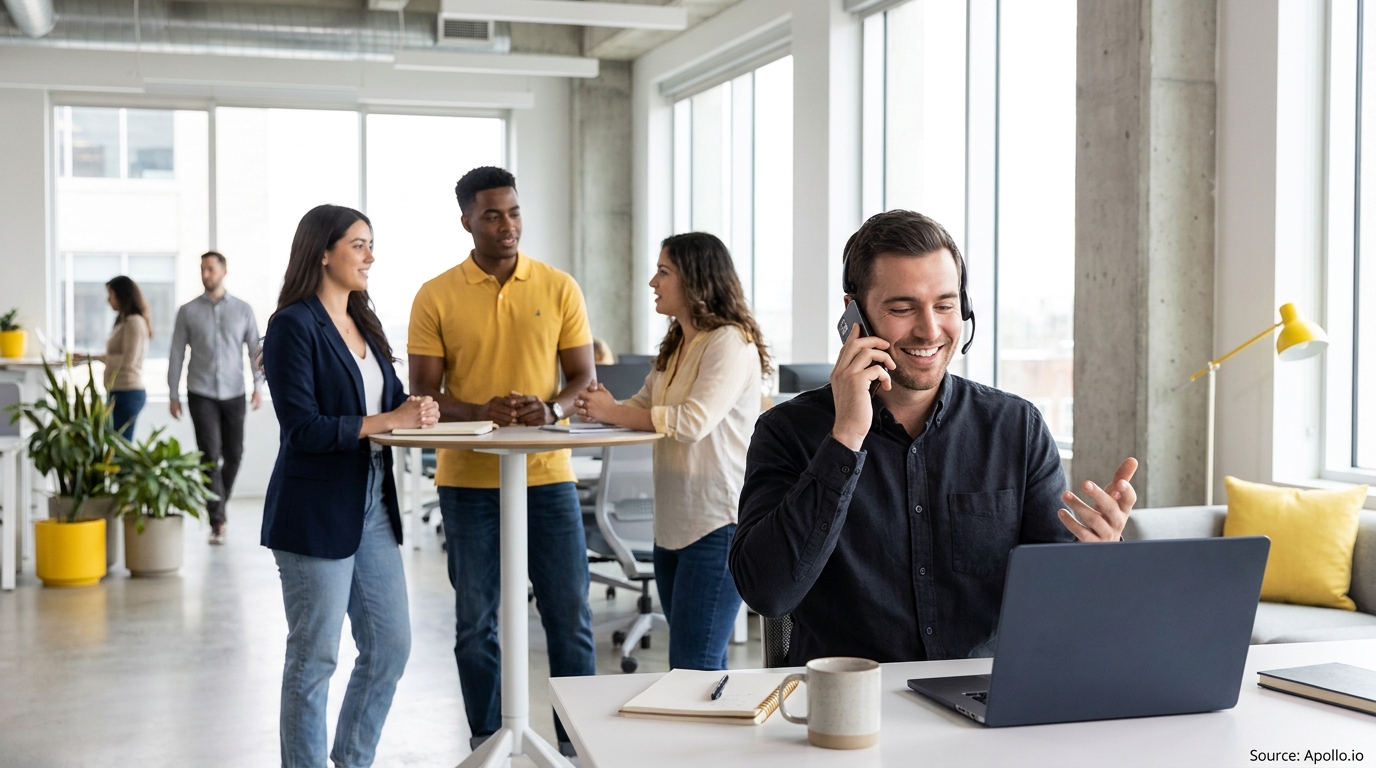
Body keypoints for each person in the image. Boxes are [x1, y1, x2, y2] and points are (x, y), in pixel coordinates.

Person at [729, 210, 1139, 665]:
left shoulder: (1015, 428)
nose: (929, 330)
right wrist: (845, 438)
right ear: (853, 315)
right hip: (847, 696)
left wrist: (1098, 558)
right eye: (902, 308)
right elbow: (767, 593)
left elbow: (1056, 600)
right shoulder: (787, 431)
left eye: (944, 305)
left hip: (978, 695)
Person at [408, 166, 596, 757]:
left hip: (548, 476)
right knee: (476, 621)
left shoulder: (558, 286)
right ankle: (486, 742)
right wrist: (480, 410)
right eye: (492, 215)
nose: (507, 225)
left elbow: (582, 377)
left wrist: (551, 409)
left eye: (513, 212)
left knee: (570, 615)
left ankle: (575, 745)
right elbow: (424, 395)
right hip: (467, 480)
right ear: (467, 221)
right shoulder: (436, 294)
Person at [261, 204, 438, 768]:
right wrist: (388, 420)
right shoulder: (292, 325)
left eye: (371, 245)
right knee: (314, 658)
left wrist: (414, 409)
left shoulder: (365, 322)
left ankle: (353, 759)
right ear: (323, 252)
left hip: (373, 499)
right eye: (359, 245)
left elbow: (385, 403)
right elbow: (303, 427)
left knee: (390, 645)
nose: (370, 257)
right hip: (314, 507)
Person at [574, 232, 770, 670]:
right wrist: (603, 408)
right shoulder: (679, 342)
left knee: (693, 664)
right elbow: (643, 405)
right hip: (672, 525)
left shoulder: (729, 342)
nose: (653, 282)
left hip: (717, 523)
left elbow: (692, 421)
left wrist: (614, 412)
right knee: (692, 665)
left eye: (664, 272)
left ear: (696, 279)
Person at [168, 251, 265, 545]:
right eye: (202, 269)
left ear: (224, 271)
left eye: (210, 269)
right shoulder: (187, 311)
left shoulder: (243, 310)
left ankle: (217, 503)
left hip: (234, 391)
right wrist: (173, 393)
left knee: (234, 453)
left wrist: (258, 386)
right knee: (209, 455)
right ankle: (217, 520)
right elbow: (176, 352)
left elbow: (255, 350)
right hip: (201, 392)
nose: (205, 274)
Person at [78, 276, 151, 440]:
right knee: (115, 445)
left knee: (120, 447)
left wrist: (95, 357)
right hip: (118, 392)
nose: (108, 299)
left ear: (122, 295)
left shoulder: (134, 322)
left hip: (127, 393)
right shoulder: (124, 321)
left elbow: (128, 360)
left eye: (111, 294)